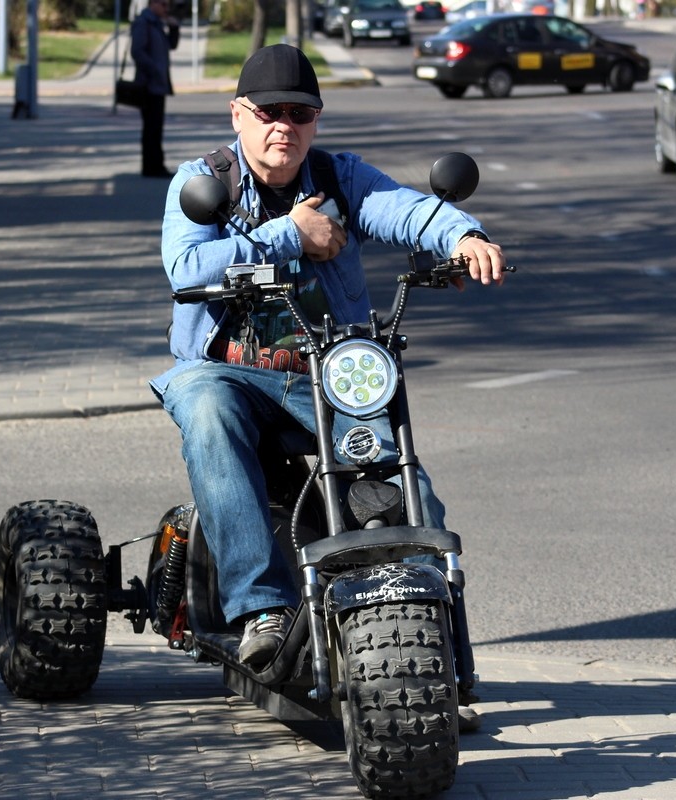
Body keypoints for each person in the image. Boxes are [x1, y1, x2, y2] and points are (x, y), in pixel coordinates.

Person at [150, 44, 507, 668]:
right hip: (223, 372)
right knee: (207, 412)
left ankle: (441, 655)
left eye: (301, 112)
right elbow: (184, 266)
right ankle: (264, 608)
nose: (284, 125)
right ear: (239, 115)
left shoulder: (340, 177)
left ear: (316, 120)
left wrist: (463, 235)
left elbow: (404, 208)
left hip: (324, 372)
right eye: (268, 112)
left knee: (400, 473)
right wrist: (293, 233)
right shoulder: (202, 182)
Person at [130, 0, 180, 177]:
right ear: (153, 4)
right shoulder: (144, 23)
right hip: (148, 85)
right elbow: (137, 51)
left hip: (158, 85)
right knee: (151, 128)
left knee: (156, 127)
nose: (167, 9)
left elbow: (171, 45)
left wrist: (174, 28)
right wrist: (155, 70)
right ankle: (151, 167)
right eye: (164, 5)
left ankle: (155, 165)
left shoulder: (157, 24)